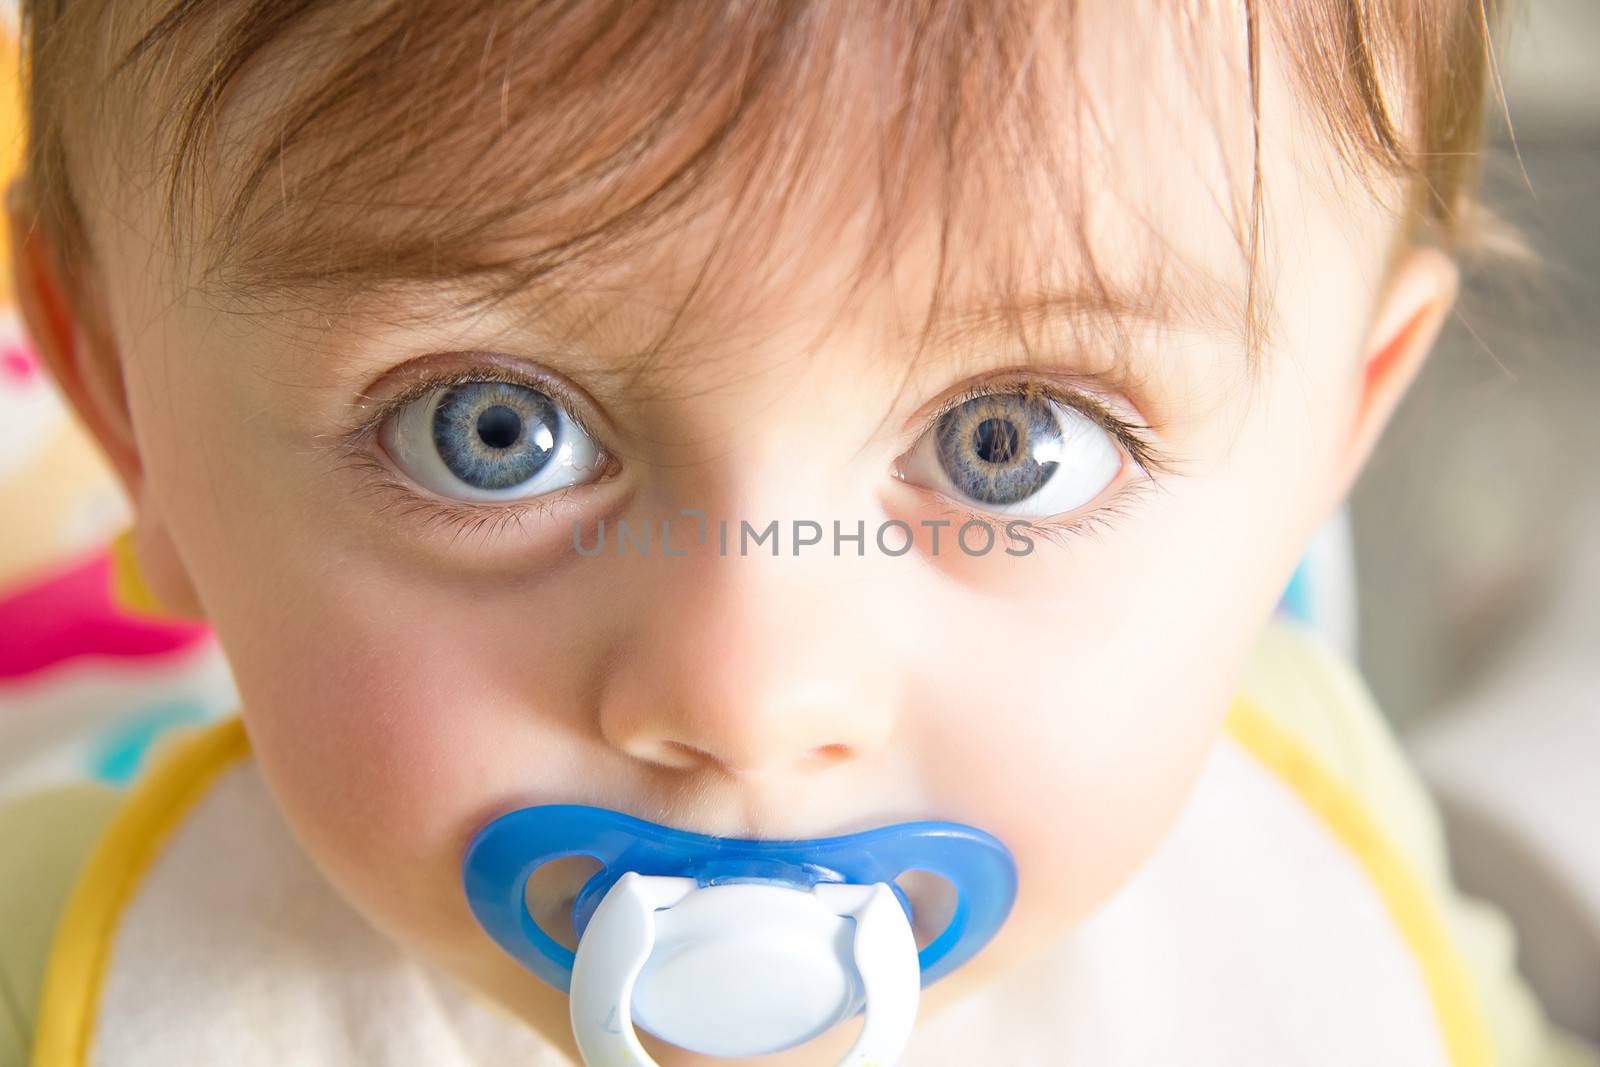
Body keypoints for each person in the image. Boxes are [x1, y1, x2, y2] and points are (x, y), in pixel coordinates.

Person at [1, 1, 1595, 1064]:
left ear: (1339, 430)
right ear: (126, 408)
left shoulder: (1309, 858)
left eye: (1009, 446)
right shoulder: (71, 971)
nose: (749, 694)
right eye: (491, 430)